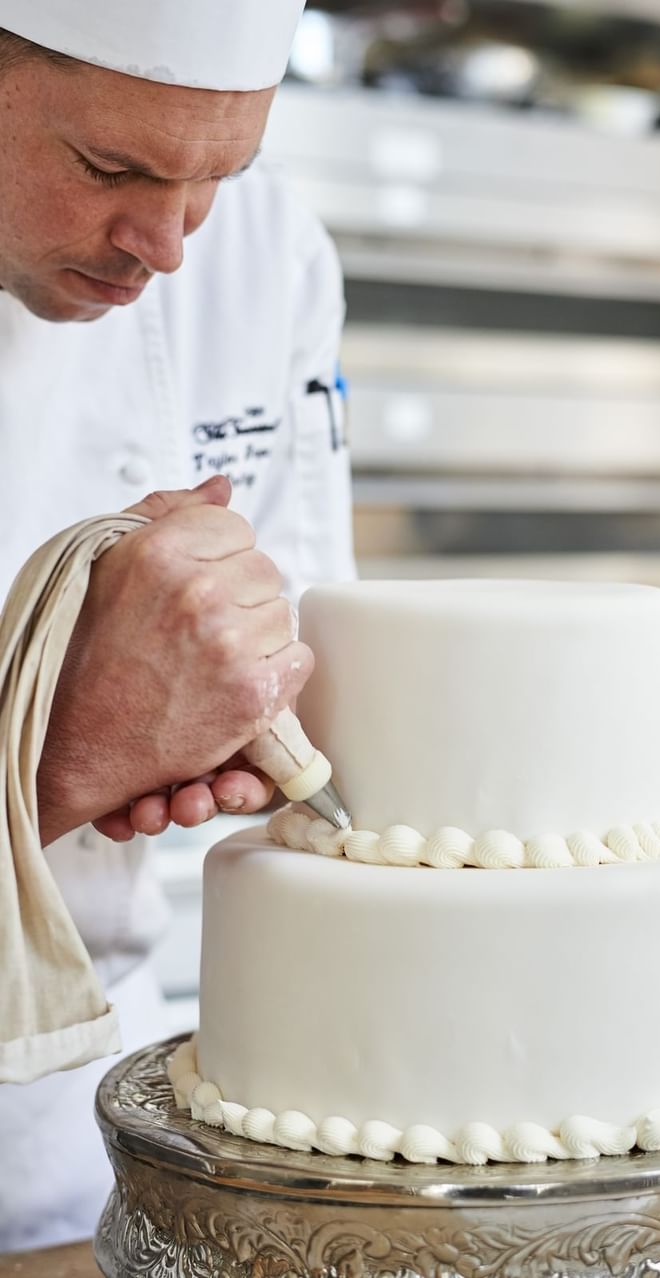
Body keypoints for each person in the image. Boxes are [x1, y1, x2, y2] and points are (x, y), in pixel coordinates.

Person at [0, 0, 354, 1250]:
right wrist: (76, 753)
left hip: (93, 1107)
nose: (165, 247)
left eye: (219, 174)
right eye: (109, 168)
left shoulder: (270, 254)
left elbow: (297, 651)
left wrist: (213, 713)